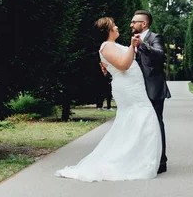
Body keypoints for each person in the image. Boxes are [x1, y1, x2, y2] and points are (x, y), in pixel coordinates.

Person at [55, 17, 162, 182]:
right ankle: (129, 159)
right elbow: (123, 65)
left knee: (138, 119)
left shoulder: (112, 45)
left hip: (134, 87)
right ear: (107, 31)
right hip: (128, 89)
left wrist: (132, 48)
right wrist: (132, 47)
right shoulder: (105, 46)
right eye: (113, 26)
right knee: (140, 117)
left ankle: (135, 157)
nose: (117, 27)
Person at [130, 10, 171, 174]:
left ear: (144, 24)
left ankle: (162, 162)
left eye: (134, 22)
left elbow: (160, 55)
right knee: (142, 124)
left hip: (153, 88)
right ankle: (145, 158)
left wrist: (143, 46)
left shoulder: (154, 37)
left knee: (157, 124)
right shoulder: (134, 39)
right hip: (138, 89)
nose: (131, 24)